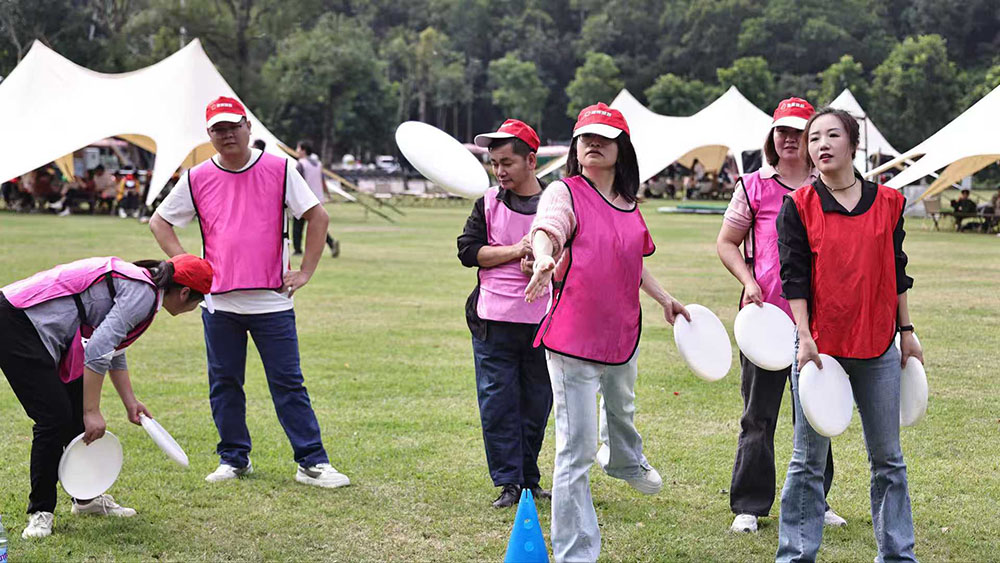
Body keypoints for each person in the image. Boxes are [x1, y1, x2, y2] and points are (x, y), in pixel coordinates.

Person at [149, 96, 349, 489]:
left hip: (272, 300)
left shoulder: (280, 169)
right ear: (209, 134)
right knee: (224, 383)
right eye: (218, 129)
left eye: (233, 126)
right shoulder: (196, 177)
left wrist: (306, 271)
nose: (227, 135)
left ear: (248, 127)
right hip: (219, 301)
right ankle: (233, 458)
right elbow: (160, 222)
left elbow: (318, 216)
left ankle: (312, 461)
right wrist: (187, 266)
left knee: (288, 383)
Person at [525, 103, 690, 562]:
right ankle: (575, 553)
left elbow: (632, 261)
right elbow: (548, 228)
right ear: (576, 147)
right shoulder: (564, 192)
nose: (593, 143)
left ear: (622, 149)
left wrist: (665, 298)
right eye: (585, 137)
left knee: (622, 411)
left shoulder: (629, 205)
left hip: (622, 335)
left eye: (605, 137)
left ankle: (623, 460)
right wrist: (543, 255)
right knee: (575, 451)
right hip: (572, 339)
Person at [775, 107, 921, 562]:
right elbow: (794, 276)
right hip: (820, 350)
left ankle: (897, 556)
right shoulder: (798, 206)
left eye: (832, 135)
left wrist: (907, 331)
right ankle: (795, 555)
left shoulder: (889, 203)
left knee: (889, 461)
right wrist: (804, 336)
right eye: (814, 137)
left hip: (878, 346)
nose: (821, 144)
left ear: (853, 144)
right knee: (807, 462)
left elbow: (896, 272)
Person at [0, 254, 213, 539]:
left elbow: (113, 346)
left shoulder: (145, 289)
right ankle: (40, 511)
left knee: (73, 414)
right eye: (197, 302)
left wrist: (130, 402)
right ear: (184, 292)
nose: (194, 309)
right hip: (16, 322)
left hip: (33, 325)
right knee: (54, 418)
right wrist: (92, 411)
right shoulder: (144, 295)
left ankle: (85, 499)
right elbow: (99, 348)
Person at [716, 97, 845, 534]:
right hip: (765, 319)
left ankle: (817, 499)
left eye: (799, 131)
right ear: (772, 137)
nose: (790, 139)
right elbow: (727, 242)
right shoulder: (752, 185)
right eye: (782, 131)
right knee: (758, 415)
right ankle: (750, 506)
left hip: (818, 321)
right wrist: (748, 280)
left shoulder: (829, 185)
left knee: (815, 413)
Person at [457, 119, 553, 509]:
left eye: (507, 162)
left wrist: (544, 264)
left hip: (543, 322)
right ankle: (509, 482)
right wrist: (516, 251)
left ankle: (529, 479)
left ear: (531, 161)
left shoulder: (556, 204)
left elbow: (573, 253)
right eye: (494, 163)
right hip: (493, 320)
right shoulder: (488, 203)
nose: (499, 171)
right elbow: (468, 251)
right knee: (498, 404)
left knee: (536, 404)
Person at [294, 141, 340, 258]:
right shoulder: (318, 164)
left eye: (298, 149)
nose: (297, 151)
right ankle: (331, 243)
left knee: (298, 226)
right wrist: (327, 194)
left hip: (304, 199)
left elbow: (297, 182)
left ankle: (298, 249)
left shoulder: (301, 164)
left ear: (303, 150)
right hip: (317, 199)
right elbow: (322, 181)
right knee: (318, 225)